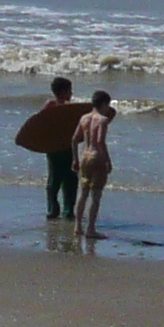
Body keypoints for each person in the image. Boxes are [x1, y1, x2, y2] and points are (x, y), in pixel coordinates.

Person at [15, 76, 90, 221]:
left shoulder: (70, 109)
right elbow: (42, 123)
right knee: (55, 179)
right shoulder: (51, 105)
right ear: (63, 92)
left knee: (70, 178)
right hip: (54, 148)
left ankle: (68, 210)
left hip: (66, 147)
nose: (71, 93)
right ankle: (53, 209)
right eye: (69, 90)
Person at [74, 91, 118, 241]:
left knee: (83, 193)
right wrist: (108, 161)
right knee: (96, 195)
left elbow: (74, 139)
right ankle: (91, 229)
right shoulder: (103, 120)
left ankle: (78, 226)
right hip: (96, 158)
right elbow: (100, 142)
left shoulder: (84, 118)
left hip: (84, 157)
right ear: (104, 104)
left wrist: (75, 159)